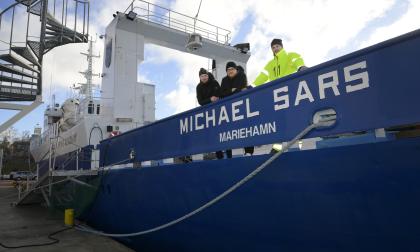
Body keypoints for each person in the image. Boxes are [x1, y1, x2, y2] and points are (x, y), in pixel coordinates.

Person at [254, 39, 307, 153]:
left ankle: (300, 146)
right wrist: (252, 86)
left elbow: (297, 60)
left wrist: (301, 67)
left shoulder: (289, 55)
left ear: (281, 47)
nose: (275, 48)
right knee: (279, 121)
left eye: (277, 46)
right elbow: (263, 76)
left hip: (291, 92)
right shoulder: (270, 64)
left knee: (295, 118)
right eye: (273, 47)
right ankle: (277, 147)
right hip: (278, 96)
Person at [221, 61, 254, 157]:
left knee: (245, 129)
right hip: (229, 110)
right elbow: (222, 94)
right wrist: (233, 90)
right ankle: (229, 155)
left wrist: (231, 91)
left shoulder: (241, 76)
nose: (230, 71)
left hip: (242, 108)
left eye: (232, 69)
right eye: (228, 70)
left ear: (236, 70)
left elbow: (241, 89)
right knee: (228, 133)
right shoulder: (224, 80)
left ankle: (248, 152)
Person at [196, 68, 225, 159]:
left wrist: (217, 97)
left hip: (218, 111)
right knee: (213, 135)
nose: (204, 78)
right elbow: (200, 101)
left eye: (205, 75)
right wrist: (210, 99)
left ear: (208, 75)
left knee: (222, 133)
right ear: (199, 77)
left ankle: (229, 155)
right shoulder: (198, 87)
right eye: (202, 76)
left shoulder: (214, 83)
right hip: (207, 114)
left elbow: (220, 93)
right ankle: (218, 156)